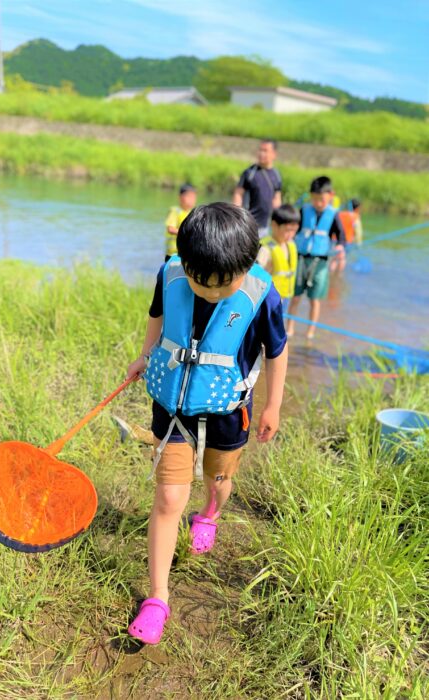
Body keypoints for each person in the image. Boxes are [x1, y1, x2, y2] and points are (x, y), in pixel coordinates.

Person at [126, 203, 288, 645]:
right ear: (187, 264)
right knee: (166, 499)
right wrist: (146, 353)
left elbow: (276, 351)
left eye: (223, 286)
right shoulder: (172, 274)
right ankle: (158, 597)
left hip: (227, 411)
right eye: (201, 282)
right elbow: (157, 316)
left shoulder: (262, 294)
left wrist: (273, 405)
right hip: (173, 408)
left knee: (218, 480)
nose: (210, 293)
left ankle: (211, 513)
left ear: (248, 265)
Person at [287, 176, 346, 339]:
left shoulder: (333, 215)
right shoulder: (304, 210)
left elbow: (341, 236)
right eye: (314, 199)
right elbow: (293, 229)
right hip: (300, 259)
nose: (317, 203)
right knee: (295, 296)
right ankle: (289, 328)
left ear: (330, 195)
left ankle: (310, 332)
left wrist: (341, 246)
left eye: (321, 199)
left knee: (315, 299)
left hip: (320, 263)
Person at [232, 139, 282, 236]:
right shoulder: (250, 173)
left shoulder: (276, 175)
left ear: (274, 154)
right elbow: (238, 194)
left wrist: (279, 218)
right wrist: (236, 216)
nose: (261, 153)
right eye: (260, 150)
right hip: (249, 225)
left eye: (265, 151)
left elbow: (277, 198)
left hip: (268, 227)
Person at [256, 204, 300, 312]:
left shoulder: (290, 245)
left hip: (284, 296)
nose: (291, 234)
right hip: (267, 299)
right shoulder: (266, 249)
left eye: (294, 230)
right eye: (288, 230)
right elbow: (255, 274)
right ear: (274, 225)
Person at [164, 184, 197, 261]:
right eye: (189, 197)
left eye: (194, 197)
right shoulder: (175, 211)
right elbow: (170, 229)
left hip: (185, 253)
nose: (192, 200)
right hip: (173, 254)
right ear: (181, 197)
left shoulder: (192, 213)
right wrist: (188, 233)